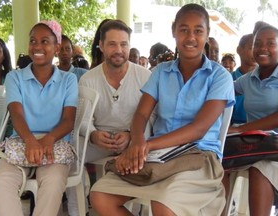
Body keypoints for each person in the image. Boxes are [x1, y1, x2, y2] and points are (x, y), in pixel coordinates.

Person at [90, 4, 235, 216]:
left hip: (199, 157)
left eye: (198, 30)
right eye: (184, 29)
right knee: (100, 196)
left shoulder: (219, 76)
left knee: (164, 205)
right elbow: (141, 114)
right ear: (174, 31)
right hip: (158, 157)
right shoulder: (160, 72)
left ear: (207, 34)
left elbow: (198, 129)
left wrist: (145, 145)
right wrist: (137, 141)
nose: (191, 37)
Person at [0, 20, 78, 216]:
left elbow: (68, 121)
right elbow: (16, 113)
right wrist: (30, 141)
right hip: (22, 142)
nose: (37, 46)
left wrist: (48, 139)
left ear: (56, 47)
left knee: (53, 183)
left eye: (45, 41)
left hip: (54, 145)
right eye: (33, 41)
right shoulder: (15, 77)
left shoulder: (68, 79)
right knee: (1, 181)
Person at [79, 19, 151, 162]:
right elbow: (83, 119)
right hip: (98, 143)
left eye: (123, 44)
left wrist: (130, 134)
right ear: (101, 46)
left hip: (134, 141)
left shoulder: (145, 77)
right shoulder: (87, 79)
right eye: (112, 44)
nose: (119, 50)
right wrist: (93, 135)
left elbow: (152, 117)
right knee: (70, 154)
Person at [225, 25, 278, 216]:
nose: (263, 48)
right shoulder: (247, 79)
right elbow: (223, 92)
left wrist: (240, 129)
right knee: (215, 161)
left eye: (270, 43)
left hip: (273, 147)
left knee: (260, 168)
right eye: (258, 44)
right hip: (252, 144)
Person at [231, 34, 257, 125]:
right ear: (239, 50)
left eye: (257, 47)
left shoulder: (268, 79)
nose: (256, 52)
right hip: (233, 131)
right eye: (251, 47)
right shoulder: (228, 79)